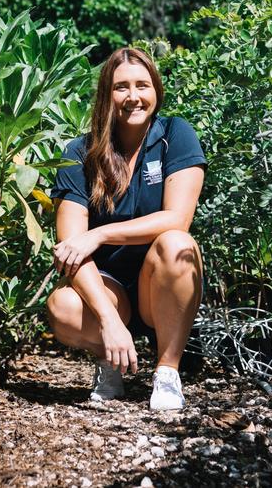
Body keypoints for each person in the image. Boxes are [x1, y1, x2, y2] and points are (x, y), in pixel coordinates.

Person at [46, 47, 206, 410]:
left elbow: (177, 219)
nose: (133, 97)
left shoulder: (175, 134)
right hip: (108, 287)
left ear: (156, 90)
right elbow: (70, 246)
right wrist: (107, 321)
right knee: (61, 306)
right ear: (107, 95)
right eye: (121, 87)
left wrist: (99, 234)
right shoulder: (80, 153)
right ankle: (110, 359)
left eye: (142, 85)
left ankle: (167, 372)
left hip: (161, 284)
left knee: (176, 243)